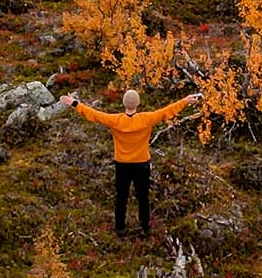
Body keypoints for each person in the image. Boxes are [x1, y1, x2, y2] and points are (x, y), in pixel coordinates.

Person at [58, 86, 204, 237]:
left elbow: (94, 114)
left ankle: (120, 227)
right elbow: (167, 111)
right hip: (142, 165)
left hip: (122, 165)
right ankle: (145, 227)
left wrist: (75, 103)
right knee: (143, 197)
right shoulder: (146, 119)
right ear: (138, 103)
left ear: (123, 103)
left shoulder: (115, 120)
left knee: (121, 196)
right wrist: (185, 101)